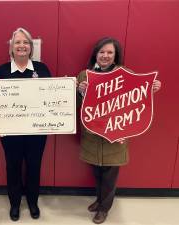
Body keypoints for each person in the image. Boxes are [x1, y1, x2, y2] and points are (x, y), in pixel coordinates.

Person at [77, 37, 161, 224]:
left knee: (109, 176)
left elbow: (136, 102)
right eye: (102, 52)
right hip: (93, 135)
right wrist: (80, 92)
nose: (105, 56)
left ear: (115, 57)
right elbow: (79, 108)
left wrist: (150, 89)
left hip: (116, 135)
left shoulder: (126, 74)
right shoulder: (84, 75)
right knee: (97, 173)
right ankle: (99, 201)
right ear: (95, 54)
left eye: (109, 53)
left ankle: (104, 209)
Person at [0, 27, 51, 221]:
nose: (22, 46)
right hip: (10, 133)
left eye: (26, 42)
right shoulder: (0, 72)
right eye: (17, 42)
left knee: (34, 167)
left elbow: (51, 98)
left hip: (37, 132)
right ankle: (15, 204)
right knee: (13, 167)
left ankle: (33, 202)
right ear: (11, 47)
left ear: (31, 47)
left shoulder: (42, 69)